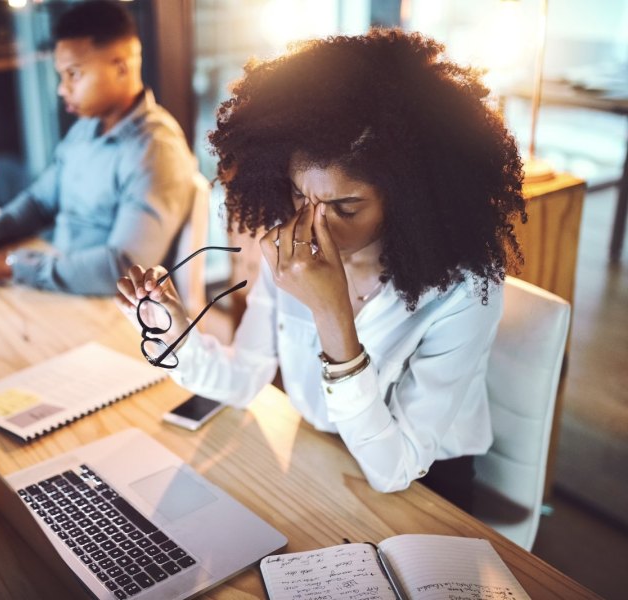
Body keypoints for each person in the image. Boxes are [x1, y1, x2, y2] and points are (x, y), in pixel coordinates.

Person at [116, 30, 527, 511]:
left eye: (346, 206)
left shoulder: (462, 292)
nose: (313, 225)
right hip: (318, 453)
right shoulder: (288, 245)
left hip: (424, 486)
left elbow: (394, 470)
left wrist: (332, 313)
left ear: (410, 199)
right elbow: (247, 377)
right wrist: (175, 331)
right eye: (299, 196)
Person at [0, 0, 196, 295]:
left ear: (120, 67)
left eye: (74, 74)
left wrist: (11, 266)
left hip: (111, 308)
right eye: (61, 75)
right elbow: (39, 201)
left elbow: (124, 268)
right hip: (60, 285)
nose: (61, 88)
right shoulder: (87, 127)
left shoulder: (155, 150)